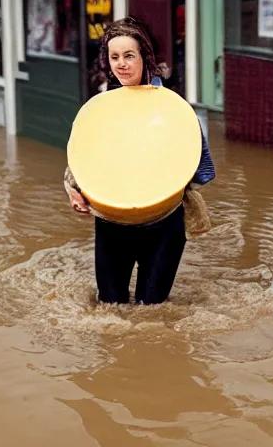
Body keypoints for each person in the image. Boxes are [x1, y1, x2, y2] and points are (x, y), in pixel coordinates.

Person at [64, 16, 216, 306]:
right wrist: (75, 191)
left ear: (145, 57)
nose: (121, 64)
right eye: (114, 57)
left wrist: (151, 174)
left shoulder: (174, 109)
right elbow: (80, 164)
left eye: (129, 56)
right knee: (110, 309)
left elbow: (200, 170)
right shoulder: (100, 109)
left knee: (152, 312)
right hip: (111, 222)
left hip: (163, 226)